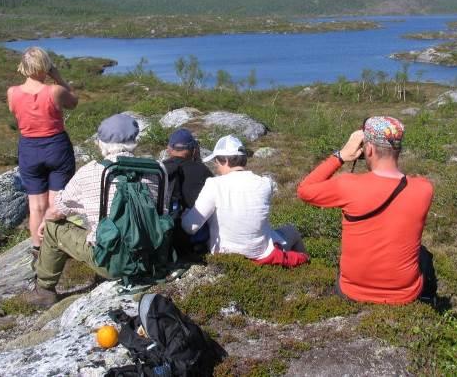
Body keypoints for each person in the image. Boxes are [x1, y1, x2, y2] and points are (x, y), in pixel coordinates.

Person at [23, 113, 164, 307]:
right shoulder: (158, 169)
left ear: (102, 143)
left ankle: (44, 290)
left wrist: (46, 222)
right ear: (134, 140)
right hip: (152, 257)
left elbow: (56, 210)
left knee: (54, 228)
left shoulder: (89, 172)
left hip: (110, 263)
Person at [297, 116, 435, 305]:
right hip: (404, 294)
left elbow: (304, 190)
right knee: (424, 253)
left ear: (368, 149)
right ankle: (428, 299)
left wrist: (341, 156)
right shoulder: (424, 189)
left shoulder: (347, 185)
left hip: (352, 290)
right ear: (398, 149)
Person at [181, 135, 309, 268]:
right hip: (262, 255)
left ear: (225, 160)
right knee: (291, 230)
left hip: (224, 255)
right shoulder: (265, 183)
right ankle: (307, 269)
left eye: (217, 162)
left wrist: (185, 214)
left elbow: (190, 227)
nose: (216, 167)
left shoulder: (214, 184)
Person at [7, 47, 78, 260]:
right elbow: (73, 102)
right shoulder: (54, 91)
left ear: (24, 67)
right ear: (45, 66)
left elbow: (15, 111)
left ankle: (38, 250)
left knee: (36, 205)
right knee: (55, 203)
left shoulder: (12, 92)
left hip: (29, 149)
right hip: (56, 147)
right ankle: (55, 247)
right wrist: (58, 77)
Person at [162, 129, 213, 254]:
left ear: (169, 149)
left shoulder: (159, 169)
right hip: (191, 240)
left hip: (163, 235)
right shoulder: (203, 171)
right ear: (194, 150)